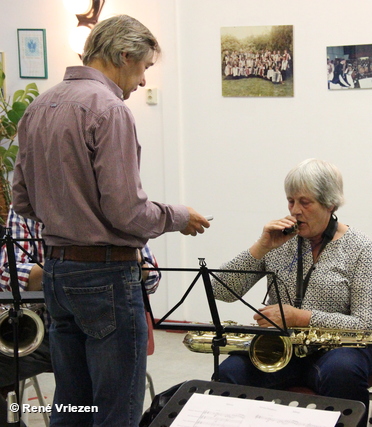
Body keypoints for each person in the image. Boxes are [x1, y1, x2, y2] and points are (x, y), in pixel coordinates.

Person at [11, 15, 210, 426]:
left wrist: (66, 213)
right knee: (115, 409)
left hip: (56, 274)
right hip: (105, 276)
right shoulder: (109, 109)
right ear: (123, 55)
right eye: (145, 68)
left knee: (72, 405)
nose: (141, 81)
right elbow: (127, 212)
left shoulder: (35, 108)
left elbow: (22, 201)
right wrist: (179, 216)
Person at [213, 158, 372, 426]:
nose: (295, 210)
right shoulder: (281, 240)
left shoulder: (359, 247)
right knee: (229, 374)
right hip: (283, 347)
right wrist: (262, 246)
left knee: (342, 372)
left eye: (305, 202)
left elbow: (366, 326)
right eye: (290, 201)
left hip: (340, 348)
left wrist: (300, 317)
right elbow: (220, 290)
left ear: (330, 204)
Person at [0, 207, 162, 426]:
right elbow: (8, 277)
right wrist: (76, 269)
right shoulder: (28, 205)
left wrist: (71, 269)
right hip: (44, 329)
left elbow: (151, 276)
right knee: (73, 412)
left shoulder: (115, 199)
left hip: (109, 320)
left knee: (108, 412)